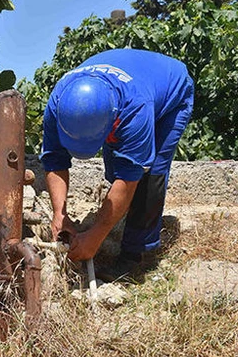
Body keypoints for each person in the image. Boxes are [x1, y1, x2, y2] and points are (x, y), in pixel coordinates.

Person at [40, 48, 194, 282]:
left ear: (114, 119)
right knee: (116, 171)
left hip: (172, 90)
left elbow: (129, 178)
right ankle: (125, 220)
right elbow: (54, 160)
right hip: (129, 86)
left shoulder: (134, 110)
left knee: (149, 173)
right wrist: (59, 214)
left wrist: (95, 237)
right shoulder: (58, 105)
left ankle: (135, 256)